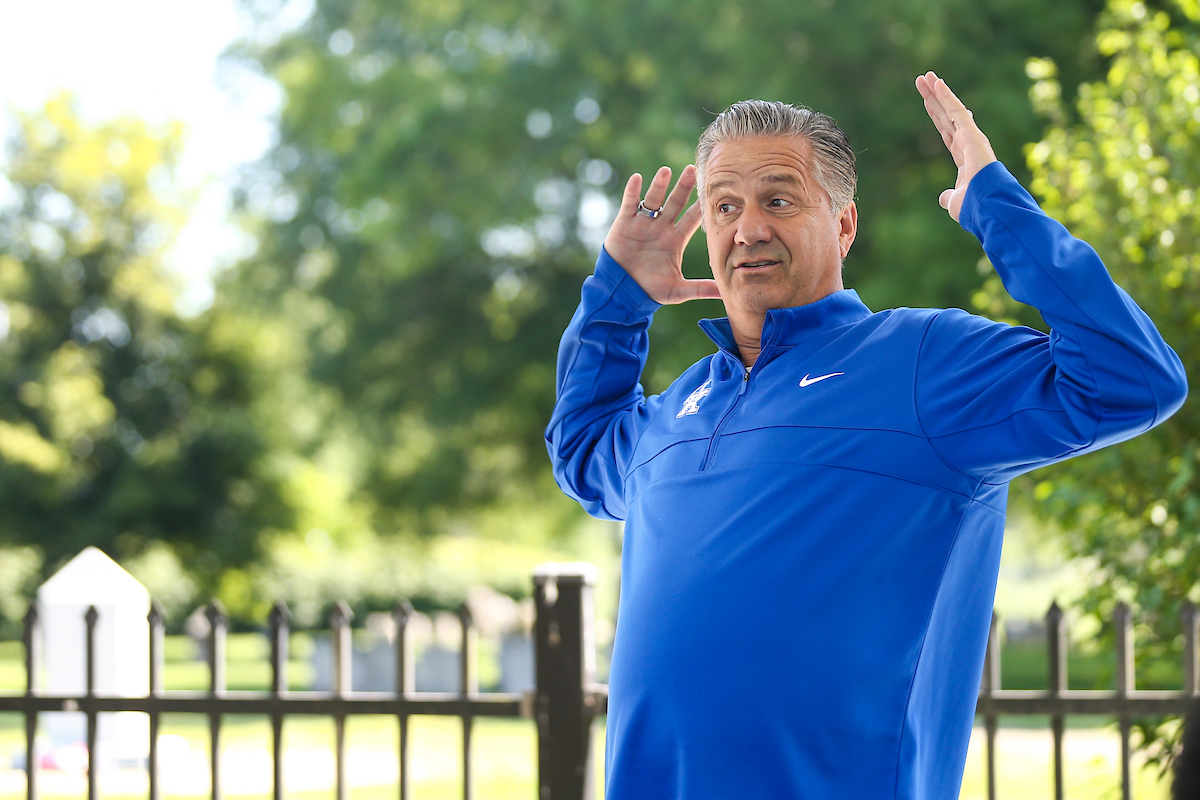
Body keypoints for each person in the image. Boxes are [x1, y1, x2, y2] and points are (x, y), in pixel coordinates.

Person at [545, 72, 1187, 799]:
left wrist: (997, 209)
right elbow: (581, 450)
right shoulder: (682, 403)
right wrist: (618, 297)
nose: (747, 228)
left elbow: (1134, 377)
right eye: (725, 206)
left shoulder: (922, 360)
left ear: (844, 224)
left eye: (778, 200)